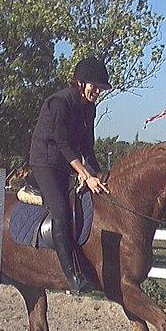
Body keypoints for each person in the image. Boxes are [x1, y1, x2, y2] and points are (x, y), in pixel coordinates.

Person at [29, 56, 111, 295]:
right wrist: (85, 175)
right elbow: (64, 144)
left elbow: (87, 147)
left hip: (67, 162)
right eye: (94, 86)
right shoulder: (60, 103)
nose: (97, 91)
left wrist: (100, 174)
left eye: (100, 88)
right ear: (80, 83)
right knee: (62, 210)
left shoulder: (89, 108)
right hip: (45, 161)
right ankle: (73, 275)